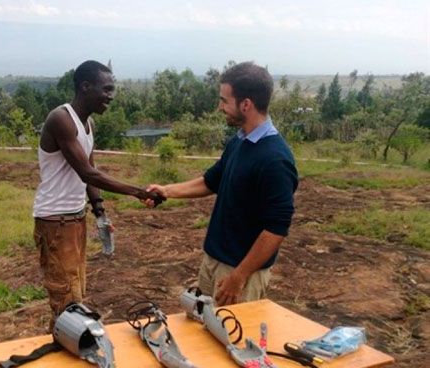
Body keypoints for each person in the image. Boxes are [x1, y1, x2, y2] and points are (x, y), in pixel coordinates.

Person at [147, 62, 298, 306]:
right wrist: (167, 191)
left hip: (240, 273)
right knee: (202, 331)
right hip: (213, 261)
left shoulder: (275, 159)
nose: (220, 107)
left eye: (224, 100)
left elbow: (276, 229)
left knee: (230, 340)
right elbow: (211, 181)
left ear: (246, 104)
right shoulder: (239, 141)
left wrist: (239, 276)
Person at [33, 60, 161, 327]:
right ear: (85, 86)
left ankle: (70, 342)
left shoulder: (87, 123)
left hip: (74, 219)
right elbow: (88, 174)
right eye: (107, 89)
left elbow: (90, 169)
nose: (110, 96)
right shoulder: (61, 119)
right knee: (65, 300)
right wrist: (138, 192)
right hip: (56, 222)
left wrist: (99, 212)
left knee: (75, 292)